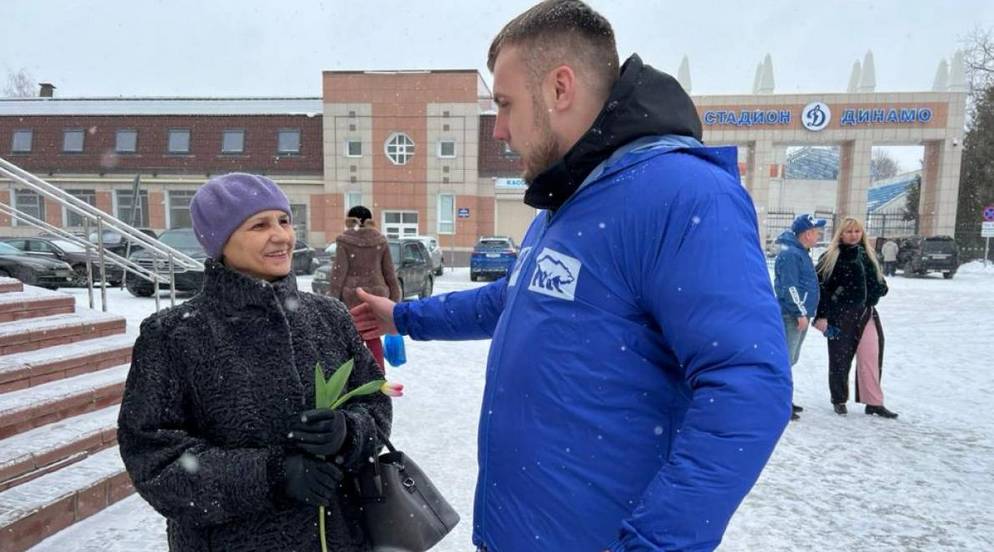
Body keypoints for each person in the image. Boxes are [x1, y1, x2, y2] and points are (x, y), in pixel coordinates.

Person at [351, 2, 792, 549]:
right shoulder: (569, 202)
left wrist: (656, 544)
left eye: (506, 105)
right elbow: (512, 300)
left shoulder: (682, 194)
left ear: (561, 88)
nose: (501, 130)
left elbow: (746, 384)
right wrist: (405, 316)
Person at [117, 173, 392, 551]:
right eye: (259, 225)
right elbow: (154, 461)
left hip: (341, 539)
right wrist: (272, 476)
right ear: (220, 242)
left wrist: (349, 432)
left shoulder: (329, 317)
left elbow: (376, 402)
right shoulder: (174, 335)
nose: (281, 236)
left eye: (284, 220)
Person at [813, 216, 898, 419]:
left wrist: (878, 289)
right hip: (840, 315)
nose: (853, 235)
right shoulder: (831, 257)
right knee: (840, 359)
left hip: (866, 314)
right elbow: (821, 289)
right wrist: (822, 317)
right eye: (849, 231)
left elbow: (880, 284)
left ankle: (874, 402)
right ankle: (839, 399)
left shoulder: (868, 256)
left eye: (857, 231)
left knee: (871, 355)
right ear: (841, 234)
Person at [328, 205, 401, 370]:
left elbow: (339, 274)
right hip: (377, 297)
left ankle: (355, 377)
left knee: (353, 338)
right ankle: (378, 376)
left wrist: (332, 300)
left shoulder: (344, 241)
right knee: (374, 336)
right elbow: (389, 273)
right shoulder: (380, 241)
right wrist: (394, 299)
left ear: (350, 220)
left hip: (352, 297)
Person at [774, 213, 827, 421]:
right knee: (784, 360)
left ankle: (784, 399)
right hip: (791, 315)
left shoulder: (800, 252)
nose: (818, 236)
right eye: (816, 232)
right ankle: (779, 403)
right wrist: (799, 312)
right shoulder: (791, 255)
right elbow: (790, 287)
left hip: (798, 314)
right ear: (806, 234)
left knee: (790, 359)